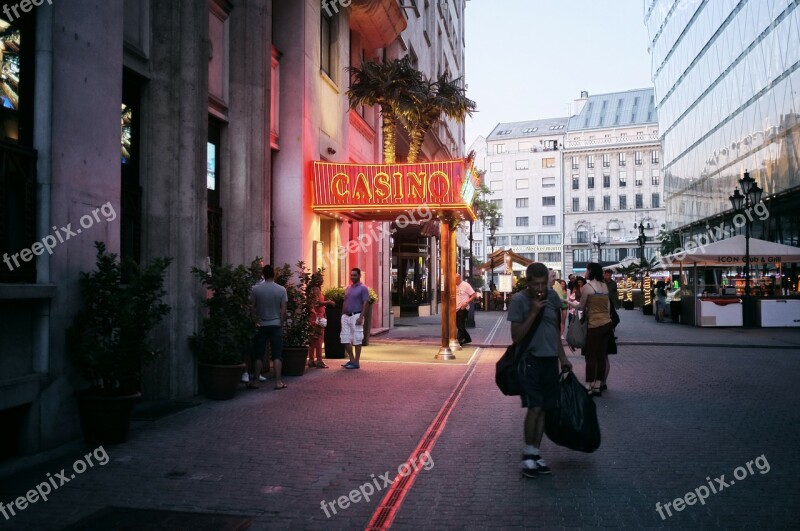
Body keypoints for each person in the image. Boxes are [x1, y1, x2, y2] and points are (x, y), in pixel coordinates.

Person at [508, 263, 573, 479]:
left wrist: (563, 358)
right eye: (535, 284)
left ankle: (535, 453)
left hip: (550, 360)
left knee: (545, 407)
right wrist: (534, 312)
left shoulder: (552, 297)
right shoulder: (518, 301)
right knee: (535, 406)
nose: (540, 289)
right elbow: (516, 337)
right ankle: (528, 453)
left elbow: (553, 329)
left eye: (543, 284)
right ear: (527, 283)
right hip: (529, 361)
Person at [576, 263, 613, 397]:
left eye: (586, 270)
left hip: (594, 325)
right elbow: (608, 307)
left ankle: (588, 386)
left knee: (590, 356)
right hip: (607, 324)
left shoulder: (587, 287)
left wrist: (569, 303)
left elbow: (581, 307)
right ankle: (597, 385)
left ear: (590, 271)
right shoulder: (604, 286)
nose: (585, 272)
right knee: (601, 356)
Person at [250, 264, 288, 390]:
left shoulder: (255, 289)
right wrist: (281, 323)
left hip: (261, 324)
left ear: (263, 274)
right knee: (277, 355)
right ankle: (278, 382)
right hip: (275, 324)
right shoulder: (281, 290)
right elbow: (283, 310)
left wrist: (255, 320)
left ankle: (255, 381)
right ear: (274, 274)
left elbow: (252, 307)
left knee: (258, 354)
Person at [341, 268, 370, 369]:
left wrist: (361, 317)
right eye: (351, 275)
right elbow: (345, 301)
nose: (352, 277)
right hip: (346, 316)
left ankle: (356, 362)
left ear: (359, 276)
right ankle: (351, 360)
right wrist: (342, 315)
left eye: (355, 275)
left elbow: (366, 303)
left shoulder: (363, 288)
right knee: (344, 339)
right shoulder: (348, 288)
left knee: (357, 339)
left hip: (356, 315)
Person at [307, 285, 335, 368]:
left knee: (313, 340)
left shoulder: (313, 293)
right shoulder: (315, 292)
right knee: (318, 340)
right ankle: (319, 361)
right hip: (317, 320)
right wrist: (329, 302)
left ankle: (311, 360)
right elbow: (317, 303)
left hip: (314, 319)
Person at [455, 274, 477, 346]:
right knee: (458, 324)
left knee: (461, 324)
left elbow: (474, 295)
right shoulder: (454, 285)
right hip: (455, 308)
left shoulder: (466, 285)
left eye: (456, 279)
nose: (455, 281)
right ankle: (467, 338)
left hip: (463, 307)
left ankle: (459, 340)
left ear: (459, 278)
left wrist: (466, 302)